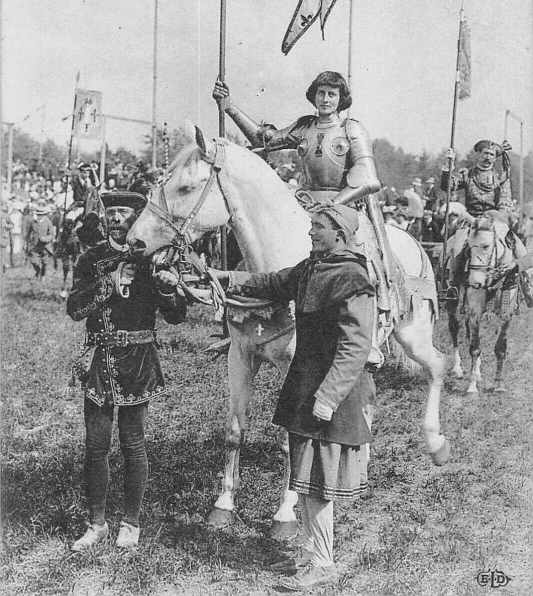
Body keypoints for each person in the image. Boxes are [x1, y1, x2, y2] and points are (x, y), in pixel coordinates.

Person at [213, 204, 375, 591]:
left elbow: (355, 347)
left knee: (318, 481)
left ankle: (322, 561)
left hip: (329, 393)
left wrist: (329, 397)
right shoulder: (311, 268)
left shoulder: (353, 277)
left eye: (317, 227)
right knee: (303, 476)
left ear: (339, 233)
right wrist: (226, 276)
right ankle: (307, 549)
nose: (310, 232)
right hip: (304, 385)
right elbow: (271, 282)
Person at [213, 71, 396, 325]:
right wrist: (229, 105)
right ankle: (245, 314)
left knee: (358, 256)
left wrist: (334, 204)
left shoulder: (351, 129)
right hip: (304, 204)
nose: (325, 99)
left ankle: (367, 327)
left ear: (341, 99)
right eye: (321, 93)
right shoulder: (304, 127)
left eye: (332, 94)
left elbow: (367, 178)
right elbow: (262, 139)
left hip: (342, 207)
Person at [66, 191, 187, 551]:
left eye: (124, 212)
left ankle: (130, 523)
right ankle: (96, 523)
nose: (116, 218)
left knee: (134, 445)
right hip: (99, 361)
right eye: (111, 212)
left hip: (138, 361)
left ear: (136, 218)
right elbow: (74, 309)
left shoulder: (152, 257)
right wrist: (108, 284)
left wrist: (168, 289)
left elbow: (177, 316)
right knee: (95, 446)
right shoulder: (91, 258)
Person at [440, 139, 527, 296]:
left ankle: (526, 287)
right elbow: (448, 186)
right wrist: (448, 168)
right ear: (478, 154)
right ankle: (452, 285)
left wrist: (497, 218)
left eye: (492, 154)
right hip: (470, 221)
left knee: (520, 249)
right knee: (455, 247)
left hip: (495, 220)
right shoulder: (467, 174)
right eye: (485, 153)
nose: (488, 157)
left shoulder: (500, 178)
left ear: (495, 158)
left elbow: (505, 203)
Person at [25, 198, 55, 279]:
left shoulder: (48, 223)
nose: (39, 216)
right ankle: (38, 271)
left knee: (45, 263)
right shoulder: (33, 222)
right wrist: (27, 241)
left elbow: (52, 235)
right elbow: (28, 232)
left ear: (44, 215)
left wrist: (45, 238)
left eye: (41, 214)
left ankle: (42, 274)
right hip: (35, 245)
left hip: (45, 246)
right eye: (38, 214)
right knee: (33, 261)